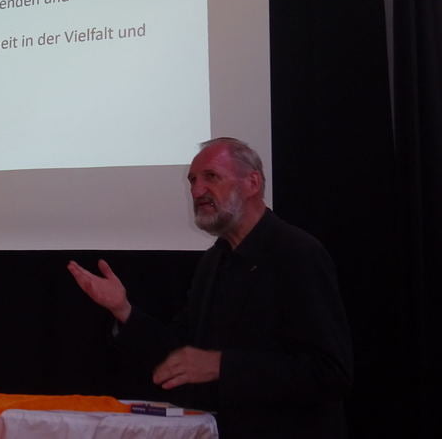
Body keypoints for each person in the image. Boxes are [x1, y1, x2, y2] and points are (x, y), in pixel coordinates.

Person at [67, 137, 352, 438]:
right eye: (192, 180)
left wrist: (222, 365)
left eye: (211, 176)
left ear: (252, 183)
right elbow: (181, 351)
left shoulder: (297, 253)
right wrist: (123, 310)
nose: (196, 191)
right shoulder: (214, 261)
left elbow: (330, 372)